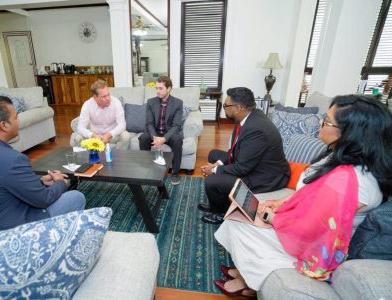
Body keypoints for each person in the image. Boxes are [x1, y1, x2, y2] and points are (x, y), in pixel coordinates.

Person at [213, 94, 392, 297]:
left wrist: (270, 217)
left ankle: (250, 282)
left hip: (320, 245)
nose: (319, 123)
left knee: (240, 221)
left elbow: (312, 227)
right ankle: (247, 275)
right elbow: (310, 193)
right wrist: (278, 203)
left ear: (350, 133)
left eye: (326, 121)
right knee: (241, 214)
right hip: (307, 223)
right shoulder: (341, 156)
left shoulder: (351, 181)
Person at [0, 96, 86, 240]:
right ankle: (55, 244)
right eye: (15, 117)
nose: (18, 121)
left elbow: (0, 182)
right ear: (4, 125)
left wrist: (40, 181)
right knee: (76, 197)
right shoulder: (11, 159)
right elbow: (44, 199)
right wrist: (60, 183)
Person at [199, 87, 290, 224]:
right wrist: (218, 164)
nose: (224, 108)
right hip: (252, 164)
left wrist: (213, 170)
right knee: (214, 155)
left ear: (239, 107)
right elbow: (234, 149)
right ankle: (216, 203)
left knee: (212, 181)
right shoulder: (247, 117)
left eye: (226, 106)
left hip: (265, 176)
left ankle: (221, 212)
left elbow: (243, 168)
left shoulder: (256, 129)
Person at [139, 76, 183, 185]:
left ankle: (175, 173)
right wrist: (155, 137)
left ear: (169, 89)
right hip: (156, 132)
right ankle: (148, 169)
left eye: (161, 88)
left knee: (177, 140)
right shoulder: (151, 102)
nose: (157, 91)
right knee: (143, 138)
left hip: (169, 134)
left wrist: (164, 139)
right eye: (156, 88)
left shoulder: (177, 103)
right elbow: (149, 123)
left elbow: (176, 126)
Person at [74, 79, 130, 149]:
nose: (108, 98)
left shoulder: (116, 102)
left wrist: (109, 135)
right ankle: (90, 158)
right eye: (104, 96)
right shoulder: (88, 104)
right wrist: (93, 136)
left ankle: (118, 157)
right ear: (95, 97)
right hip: (95, 135)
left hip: (112, 135)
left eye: (108, 95)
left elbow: (122, 125)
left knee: (126, 136)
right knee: (78, 137)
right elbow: (80, 127)